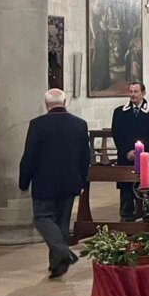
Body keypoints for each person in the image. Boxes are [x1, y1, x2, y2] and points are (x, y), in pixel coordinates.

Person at [18, 89, 90, 278]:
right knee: (61, 223)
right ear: (65, 101)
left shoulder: (38, 124)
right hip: (70, 181)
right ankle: (58, 266)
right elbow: (85, 157)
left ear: (46, 104)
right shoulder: (79, 125)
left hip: (45, 182)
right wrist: (83, 180)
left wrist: (24, 181)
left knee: (42, 218)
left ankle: (64, 254)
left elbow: (30, 156)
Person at [110, 82, 149, 222]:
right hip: (126, 157)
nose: (133, 94)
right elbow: (117, 134)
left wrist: (142, 154)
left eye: (136, 91)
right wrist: (127, 152)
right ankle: (126, 220)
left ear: (143, 93)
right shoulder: (119, 112)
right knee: (127, 191)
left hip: (148, 157)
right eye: (131, 91)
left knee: (148, 188)